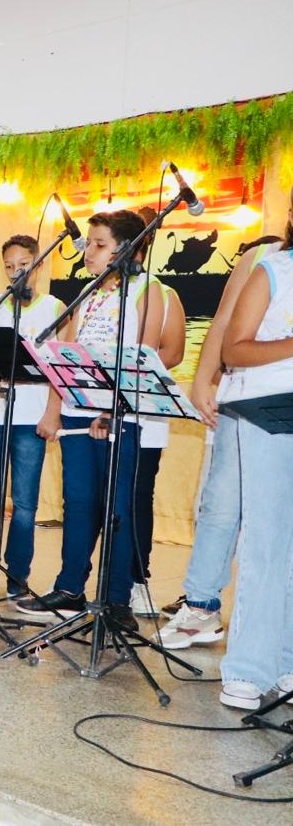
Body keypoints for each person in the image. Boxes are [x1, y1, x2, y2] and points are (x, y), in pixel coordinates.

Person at [16, 210, 163, 632]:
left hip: (119, 417)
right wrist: (53, 409)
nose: (89, 252)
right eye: (91, 243)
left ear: (126, 249)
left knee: (117, 509)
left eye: (100, 245)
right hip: (77, 413)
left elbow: (145, 356)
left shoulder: (147, 290)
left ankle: (116, 599)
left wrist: (110, 411)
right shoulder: (88, 291)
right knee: (78, 504)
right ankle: (70, 588)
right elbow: (65, 354)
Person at [156, 218, 291, 649]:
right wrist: (202, 380)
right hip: (248, 400)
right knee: (222, 503)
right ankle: (200, 606)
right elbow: (224, 322)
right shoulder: (264, 256)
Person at [215, 237, 293, 709]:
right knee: (266, 541)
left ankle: (286, 663)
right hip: (271, 414)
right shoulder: (274, 270)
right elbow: (234, 349)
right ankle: (248, 668)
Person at [0, 236, 63, 598]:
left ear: (38, 265)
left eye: (23, 264)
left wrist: (52, 413)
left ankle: (18, 573)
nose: (15, 272)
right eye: (8, 266)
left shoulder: (54, 308)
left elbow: (59, 369)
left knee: (24, 503)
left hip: (31, 417)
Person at [128, 277, 185, 616]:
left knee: (136, 497)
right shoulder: (98, 294)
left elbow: (173, 352)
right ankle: (82, 580)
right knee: (95, 500)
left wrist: (124, 376)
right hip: (97, 412)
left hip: (144, 413)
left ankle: (138, 580)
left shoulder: (163, 293)